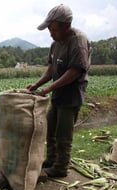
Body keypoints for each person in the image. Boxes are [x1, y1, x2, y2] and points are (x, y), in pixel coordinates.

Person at [26, 4, 91, 178]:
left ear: (66, 25)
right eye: (49, 29)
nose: (50, 33)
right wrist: (37, 85)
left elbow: (74, 72)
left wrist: (49, 88)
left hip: (71, 95)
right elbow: (51, 70)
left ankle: (61, 168)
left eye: (53, 29)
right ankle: (51, 160)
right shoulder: (55, 44)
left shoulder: (78, 41)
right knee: (50, 127)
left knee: (63, 133)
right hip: (58, 94)